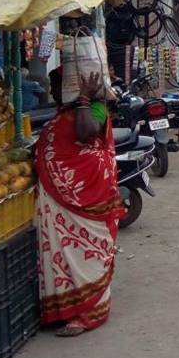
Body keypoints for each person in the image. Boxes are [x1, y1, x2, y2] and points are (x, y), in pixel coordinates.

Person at [35, 65, 123, 337]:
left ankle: (86, 313)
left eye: (57, 87)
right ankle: (63, 309)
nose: (53, 93)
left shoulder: (94, 108)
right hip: (60, 198)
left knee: (84, 254)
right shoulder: (66, 112)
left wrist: (84, 99)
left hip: (86, 196)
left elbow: (86, 134)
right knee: (61, 252)